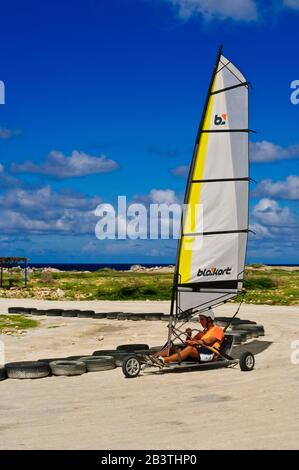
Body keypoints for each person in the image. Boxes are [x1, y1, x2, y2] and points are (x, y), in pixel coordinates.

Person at [151, 311, 224, 367]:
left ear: (209, 320)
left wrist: (196, 343)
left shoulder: (217, 329)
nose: (200, 321)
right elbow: (189, 343)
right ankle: (153, 357)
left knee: (190, 349)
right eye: (199, 319)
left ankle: (164, 360)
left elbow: (209, 341)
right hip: (199, 352)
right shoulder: (202, 332)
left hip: (210, 353)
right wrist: (188, 335)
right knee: (176, 348)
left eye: (202, 319)